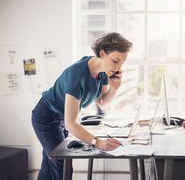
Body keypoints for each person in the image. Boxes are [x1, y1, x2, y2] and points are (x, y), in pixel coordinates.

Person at [31, 32, 132, 180]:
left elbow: (102, 103)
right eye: (115, 60)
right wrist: (97, 142)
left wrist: (114, 88)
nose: (118, 68)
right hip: (46, 117)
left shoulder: (103, 71)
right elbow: (71, 123)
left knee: (50, 166)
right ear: (102, 54)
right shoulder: (77, 75)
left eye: (122, 63)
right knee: (61, 165)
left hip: (60, 118)